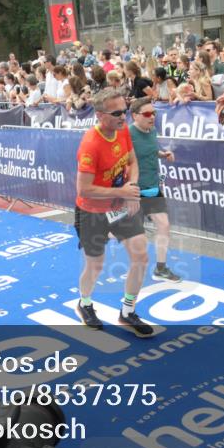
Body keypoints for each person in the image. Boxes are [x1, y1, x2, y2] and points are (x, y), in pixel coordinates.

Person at [73, 88, 154, 337]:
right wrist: (122, 193)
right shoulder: (90, 144)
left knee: (141, 255)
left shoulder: (123, 131)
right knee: (95, 265)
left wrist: (132, 187)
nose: (123, 116)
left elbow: (132, 162)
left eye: (125, 109)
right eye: (117, 112)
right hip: (91, 212)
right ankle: (84, 303)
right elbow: (84, 189)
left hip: (119, 207)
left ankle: (127, 312)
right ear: (99, 115)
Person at [128, 97, 181, 283]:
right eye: (148, 114)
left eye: (154, 113)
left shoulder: (152, 131)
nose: (152, 117)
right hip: (134, 191)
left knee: (164, 225)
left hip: (152, 188)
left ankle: (160, 268)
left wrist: (163, 154)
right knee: (136, 236)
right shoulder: (127, 134)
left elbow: (150, 150)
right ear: (135, 116)